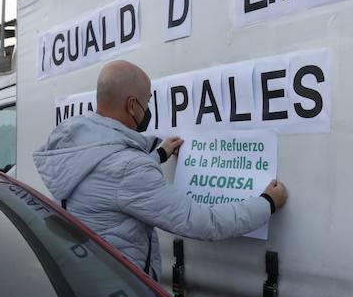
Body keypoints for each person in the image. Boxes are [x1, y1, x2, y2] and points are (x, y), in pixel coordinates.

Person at [33, 60, 288, 278]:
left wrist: (159, 154)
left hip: (85, 276)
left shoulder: (78, 144)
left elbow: (111, 176)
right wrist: (266, 203)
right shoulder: (129, 169)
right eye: (148, 101)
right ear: (132, 106)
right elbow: (200, 221)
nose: (149, 108)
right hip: (124, 293)